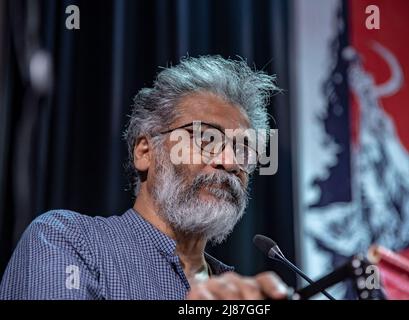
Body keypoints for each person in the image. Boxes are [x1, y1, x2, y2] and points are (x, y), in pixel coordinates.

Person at [0, 56, 290, 300]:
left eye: (242, 150)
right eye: (206, 138)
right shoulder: (68, 240)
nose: (228, 162)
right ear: (145, 152)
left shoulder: (237, 289)